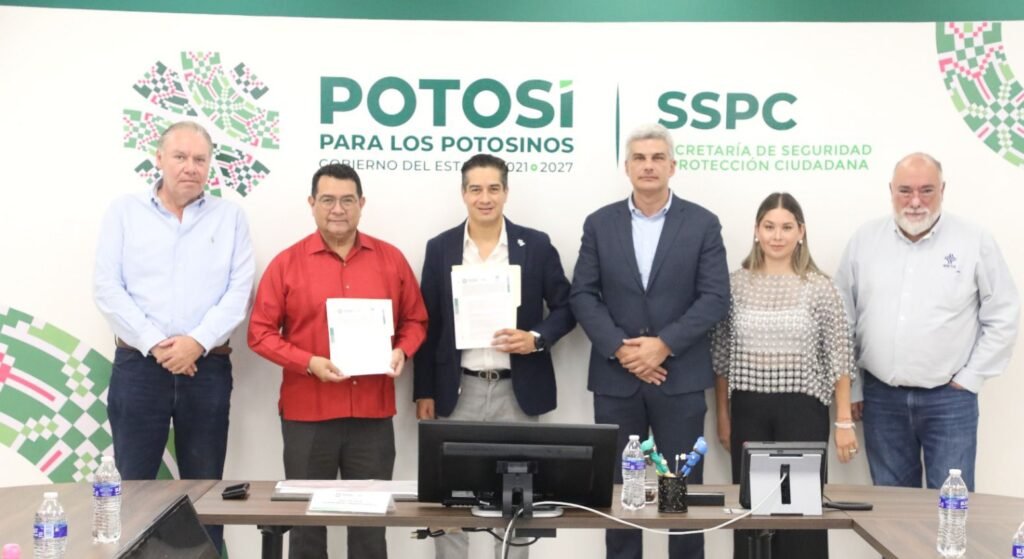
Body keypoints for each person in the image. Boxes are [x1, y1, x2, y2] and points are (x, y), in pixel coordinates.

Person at [248, 163, 428, 559]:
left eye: (347, 200)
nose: (338, 209)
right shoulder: (287, 263)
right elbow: (259, 333)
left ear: (362, 203)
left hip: (372, 415)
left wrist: (402, 350)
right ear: (311, 203)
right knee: (306, 529)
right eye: (328, 200)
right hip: (308, 414)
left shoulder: (391, 260)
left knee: (370, 529)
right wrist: (307, 361)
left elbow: (415, 320)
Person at [570, 123, 729, 559]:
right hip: (616, 380)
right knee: (623, 495)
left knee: (681, 495)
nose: (648, 166)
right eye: (639, 158)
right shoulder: (600, 224)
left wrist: (664, 345)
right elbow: (582, 294)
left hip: (679, 379)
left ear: (672, 166)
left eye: (658, 158)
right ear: (626, 167)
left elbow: (715, 297)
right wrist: (620, 349)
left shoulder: (702, 223)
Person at [94, 121, 254, 552]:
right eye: (180, 157)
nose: (190, 167)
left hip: (207, 368)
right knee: (133, 489)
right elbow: (107, 288)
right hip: (138, 368)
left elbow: (239, 292)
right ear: (159, 159)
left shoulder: (230, 217)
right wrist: (157, 345)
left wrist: (195, 343)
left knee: (205, 492)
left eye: (200, 159)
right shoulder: (124, 212)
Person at [413, 153, 576, 559]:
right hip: (459, 388)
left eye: (493, 189)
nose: (484, 198)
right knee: (451, 499)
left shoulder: (535, 245)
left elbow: (567, 307)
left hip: (516, 390)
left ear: (506, 192)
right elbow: (428, 323)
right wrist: (424, 391)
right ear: (463, 193)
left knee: (517, 498)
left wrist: (536, 338)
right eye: (475, 189)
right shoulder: (441, 247)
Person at [836, 152, 1019, 492]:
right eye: (905, 191)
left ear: (943, 190)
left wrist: (971, 377)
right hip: (881, 399)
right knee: (892, 509)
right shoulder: (865, 240)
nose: (915, 201)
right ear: (891, 190)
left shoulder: (974, 240)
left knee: (951, 506)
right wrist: (854, 388)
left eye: (926, 190)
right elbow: (842, 319)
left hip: (950, 401)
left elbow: (1003, 313)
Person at [712, 192, 857, 559]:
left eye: (786, 227)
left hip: (803, 411)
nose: (777, 236)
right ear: (756, 231)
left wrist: (843, 421)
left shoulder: (819, 287)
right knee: (751, 515)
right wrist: (723, 416)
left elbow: (840, 356)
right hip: (748, 409)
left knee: (801, 516)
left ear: (801, 232)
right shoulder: (735, 285)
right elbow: (721, 357)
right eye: (769, 226)